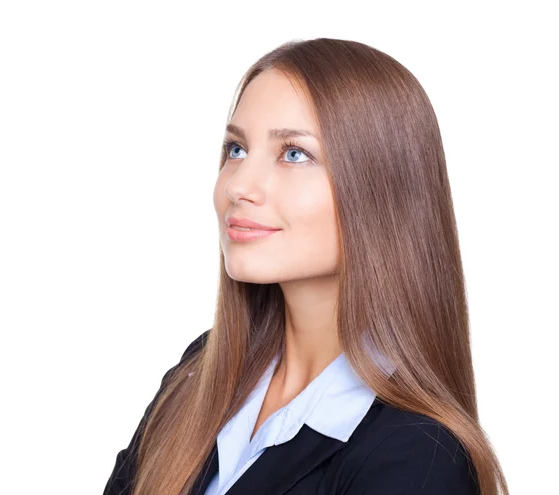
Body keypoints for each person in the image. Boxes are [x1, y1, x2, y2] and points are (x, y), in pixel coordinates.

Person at [103, 38, 509, 495]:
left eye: (294, 154)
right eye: (237, 149)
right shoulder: (199, 373)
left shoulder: (418, 456)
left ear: (382, 191)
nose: (240, 185)